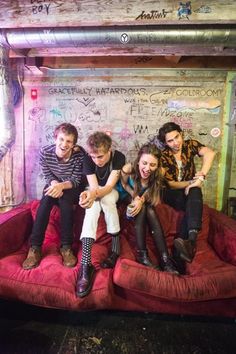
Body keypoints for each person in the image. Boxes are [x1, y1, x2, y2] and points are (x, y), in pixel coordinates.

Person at [23, 123, 85, 270]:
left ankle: (66, 247)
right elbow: (47, 174)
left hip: (71, 187)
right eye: (61, 139)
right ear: (55, 138)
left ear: (73, 144)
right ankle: (35, 247)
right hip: (54, 183)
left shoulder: (78, 156)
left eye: (69, 141)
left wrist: (61, 186)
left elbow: (76, 180)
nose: (64, 144)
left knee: (65, 200)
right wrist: (55, 184)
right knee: (45, 201)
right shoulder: (45, 152)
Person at [158, 122, 216, 264]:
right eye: (170, 141)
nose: (175, 142)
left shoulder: (190, 145)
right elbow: (170, 183)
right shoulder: (163, 155)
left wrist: (200, 178)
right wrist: (191, 183)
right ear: (165, 143)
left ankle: (190, 242)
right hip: (170, 193)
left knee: (195, 191)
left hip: (188, 191)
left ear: (181, 134)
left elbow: (210, 153)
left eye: (177, 137)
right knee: (194, 194)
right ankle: (187, 247)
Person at [76, 132, 125, 298]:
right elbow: (94, 186)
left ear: (109, 150)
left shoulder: (118, 157)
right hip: (93, 189)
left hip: (111, 191)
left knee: (108, 200)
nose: (97, 160)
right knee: (92, 207)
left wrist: (92, 196)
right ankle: (86, 264)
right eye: (93, 157)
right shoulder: (87, 159)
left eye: (100, 157)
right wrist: (87, 198)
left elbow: (109, 186)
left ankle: (115, 249)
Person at [119, 143, 179, 275]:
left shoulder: (160, 172)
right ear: (138, 160)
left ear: (157, 165)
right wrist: (134, 197)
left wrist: (141, 199)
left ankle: (165, 259)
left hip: (143, 197)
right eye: (144, 163)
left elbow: (152, 190)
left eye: (152, 165)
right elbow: (123, 184)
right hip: (127, 194)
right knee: (142, 208)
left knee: (149, 210)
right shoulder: (128, 168)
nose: (147, 168)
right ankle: (143, 255)